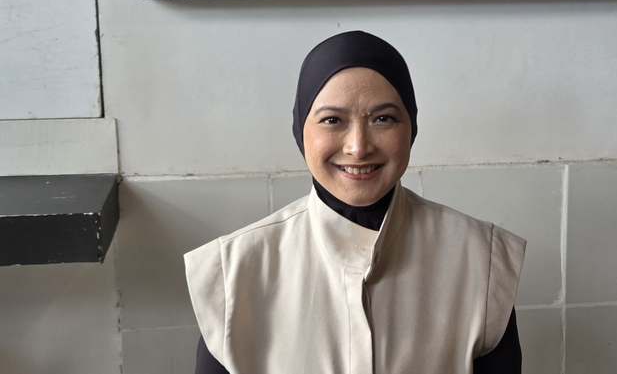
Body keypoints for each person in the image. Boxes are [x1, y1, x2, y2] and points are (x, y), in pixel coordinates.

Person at [185, 31, 526, 373]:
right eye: (332, 120)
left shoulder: (482, 260)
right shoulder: (234, 273)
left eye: (383, 118)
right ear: (300, 129)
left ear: (411, 126)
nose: (358, 147)